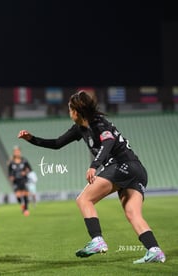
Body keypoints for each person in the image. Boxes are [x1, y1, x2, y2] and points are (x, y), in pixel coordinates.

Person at [18, 90, 166, 264]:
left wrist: (94, 166)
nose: (69, 112)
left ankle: (97, 240)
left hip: (121, 165)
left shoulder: (98, 123)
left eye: (69, 109)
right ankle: (154, 250)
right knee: (132, 213)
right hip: (136, 170)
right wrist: (32, 139)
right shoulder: (80, 128)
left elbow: (109, 142)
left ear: (76, 111)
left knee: (84, 200)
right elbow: (57, 143)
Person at [7, 146, 32, 216]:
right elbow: (9, 172)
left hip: (24, 179)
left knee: (25, 194)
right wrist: (11, 177)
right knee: (18, 195)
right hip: (16, 181)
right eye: (15, 151)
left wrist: (25, 172)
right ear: (14, 153)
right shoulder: (11, 162)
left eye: (18, 151)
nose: (17, 152)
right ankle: (22, 206)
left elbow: (29, 169)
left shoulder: (24, 160)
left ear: (20, 152)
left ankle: (26, 209)